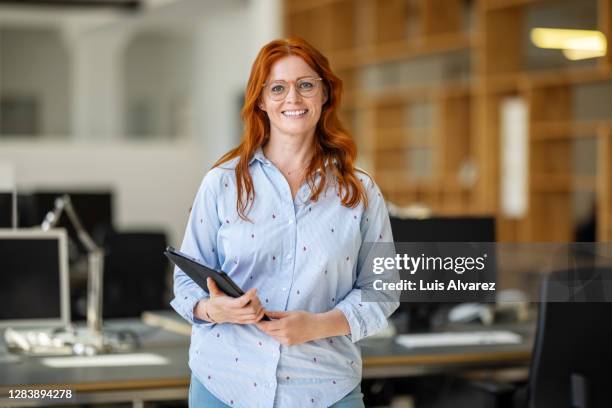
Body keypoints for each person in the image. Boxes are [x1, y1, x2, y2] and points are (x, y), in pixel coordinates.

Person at [171, 37, 399, 408]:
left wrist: (319, 325)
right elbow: (185, 280)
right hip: (225, 383)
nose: (292, 98)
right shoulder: (222, 182)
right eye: (278, 88)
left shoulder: (360, 191)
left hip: (325, 386)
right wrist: (214, 309)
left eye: (305, 85)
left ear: (324, 94)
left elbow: (382, 290)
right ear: (260, 101)